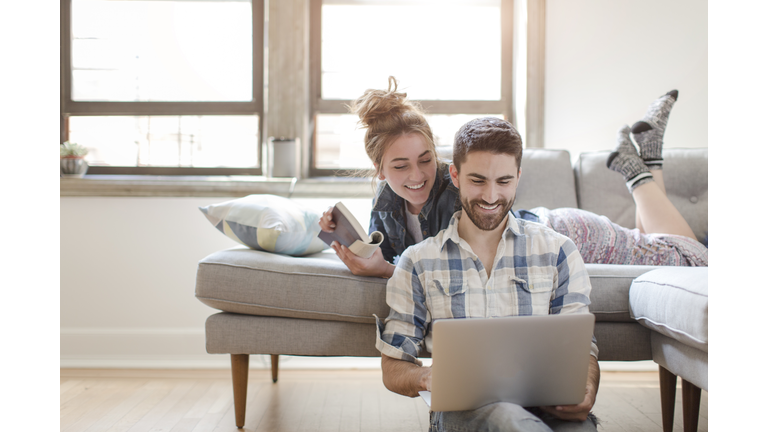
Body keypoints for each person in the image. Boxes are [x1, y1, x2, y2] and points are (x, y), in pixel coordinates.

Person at [319, 77, 708, 278]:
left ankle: (635, 171)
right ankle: (650, 151)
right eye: (400, 167)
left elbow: (442, 269)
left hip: (568, 235)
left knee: (697, 263)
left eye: (425, 159)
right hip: (548, 231)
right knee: (658, 255)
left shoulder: (458, 190)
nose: (418, 175)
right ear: (380, 171)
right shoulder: (386, 203)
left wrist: (385, 270)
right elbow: (384, 252)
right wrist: (340, 236)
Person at [376, 117, 600, 431]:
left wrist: (586, 391)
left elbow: (583, 350)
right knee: (506, 419)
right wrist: (425, 377)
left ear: (519, 177)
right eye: (478, 181)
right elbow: (394, 366)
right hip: (466, 412)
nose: (491, 196)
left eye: (504, 182)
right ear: (454, 175)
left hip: (551, 411)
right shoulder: (419, 261)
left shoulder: (559, 251)